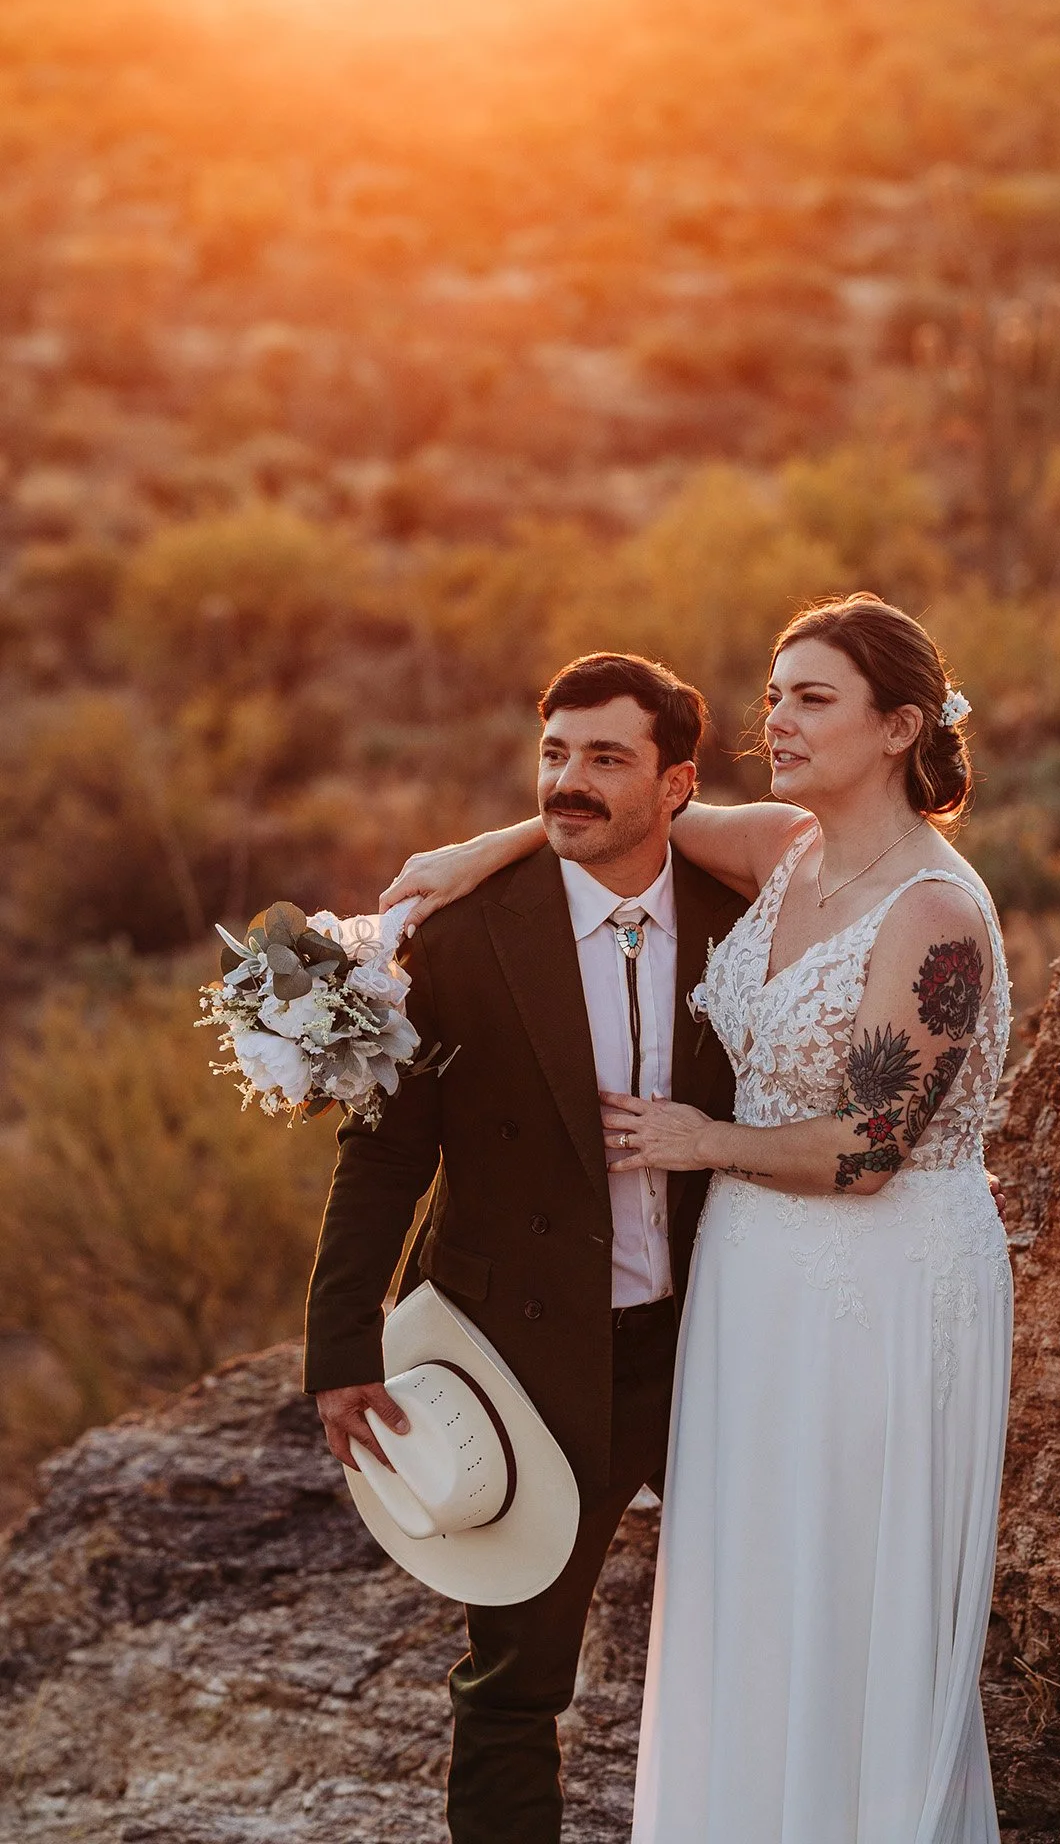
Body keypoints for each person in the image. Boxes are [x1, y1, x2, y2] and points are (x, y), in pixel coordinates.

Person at [384, 592, 1013, 1843]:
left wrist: (698, 1138)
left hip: (878, 1283)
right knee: (746, 1584)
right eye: (774, 692)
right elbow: (621, 808)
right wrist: (480, 851)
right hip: (752, 1276)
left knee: (844, 1582)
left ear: (899, 727)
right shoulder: (785, 845)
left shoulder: (934, 911)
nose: (775, 717)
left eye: (812, 697)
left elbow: (875, 1146)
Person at [304, 653, 750, 1844]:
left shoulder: (745, 921)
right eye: (555, 753)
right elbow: (386, 1151)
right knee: (515, 1677)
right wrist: (340, 1343)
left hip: (715, 1338)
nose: (570, 780)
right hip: (524, 1354)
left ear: (678, 783)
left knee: (760, 1635)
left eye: (607, 757)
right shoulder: (461, 938)